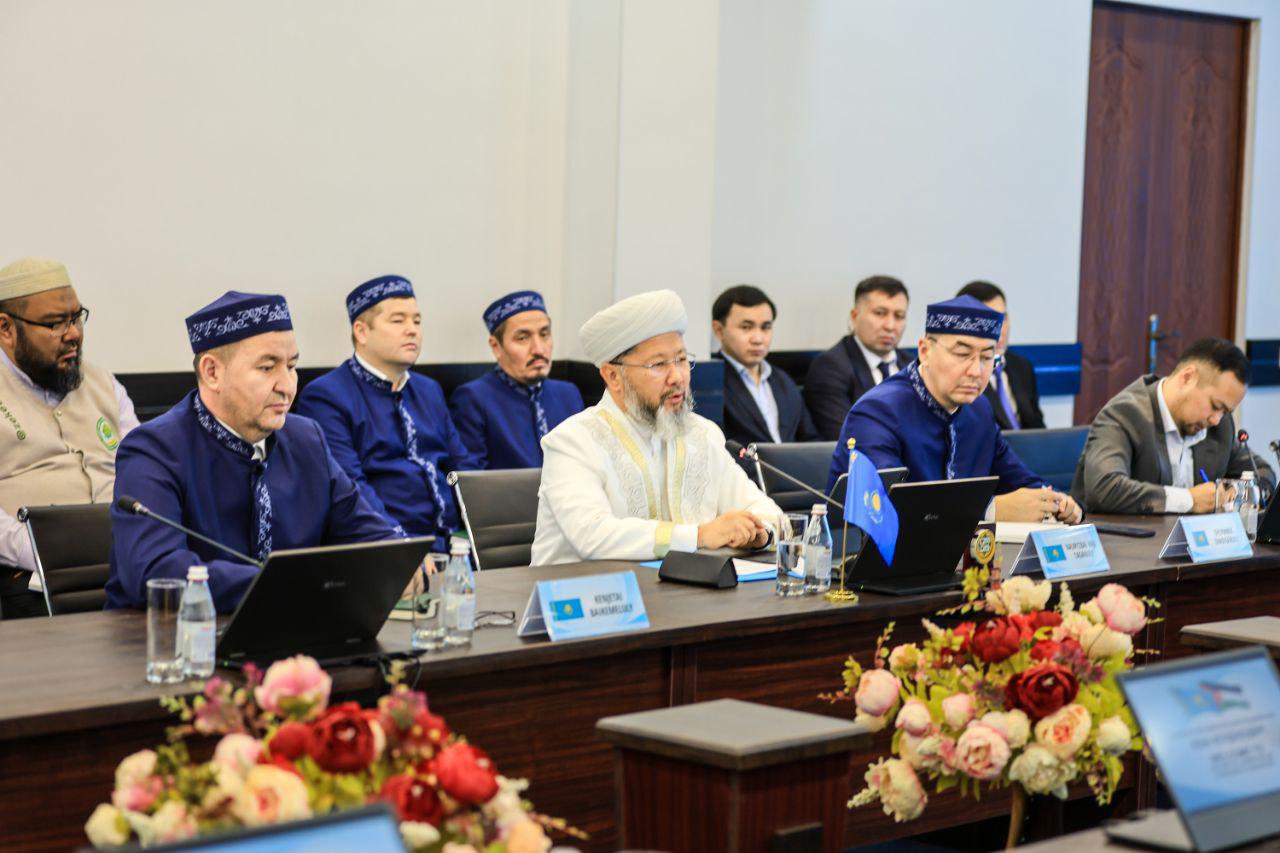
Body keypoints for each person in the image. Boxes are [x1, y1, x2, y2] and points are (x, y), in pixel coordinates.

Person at [106, 291, 396, 612]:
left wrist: (398, 562)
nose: (287, 386)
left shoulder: (306, 439)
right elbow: (155, 571)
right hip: (171, 635)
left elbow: (371, 538)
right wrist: (286, 583)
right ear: (212, 373)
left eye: (292, 366)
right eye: (267, 368)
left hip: (291, 629)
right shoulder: (154, 450)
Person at [532, 289, 785, 565]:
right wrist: (699, 536)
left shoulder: (702, 434)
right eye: (658, 364)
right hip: (585, 591)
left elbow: (770, 515)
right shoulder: (573, 441)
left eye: (682, 360)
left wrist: (760, 533)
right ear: (613, 376)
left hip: (684, 591)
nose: (677, 377)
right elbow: (592, 536)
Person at [826, 295, 1082, 523]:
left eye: (986, 358)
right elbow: (884, 510)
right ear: (925, 351)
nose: (976, 371)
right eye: (962, 354)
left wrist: (1059, 503)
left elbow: (1018, 478)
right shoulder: (877, 413)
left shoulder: (979, 410)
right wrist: (990, 510)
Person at [0, 258, 139, 619]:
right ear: (6, 329)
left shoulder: (105, 385)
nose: (73, 333)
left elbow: (145, 471)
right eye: (54, 323)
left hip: (123, 562)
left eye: (76, 318)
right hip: (31, 577)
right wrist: (46, 551)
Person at [294, 275, 480, 545]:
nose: (412, 330)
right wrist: (403, 546)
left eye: (417, 321)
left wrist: (484, 529)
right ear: (361, 332)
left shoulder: (429, 390)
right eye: (398, 320)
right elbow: (351, 489)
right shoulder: (327, 396)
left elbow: (461, 468)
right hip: (382, 546)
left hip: (453, 542)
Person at [1071, 337, 1276, 515]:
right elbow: (1105, 489)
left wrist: (1238, 493)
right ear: (1187, 378)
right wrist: (1189, 500)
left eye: (1225, 412)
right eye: (1215, 406)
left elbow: (1263, 473)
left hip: (1193, 545)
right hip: (1125, 544)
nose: (1216, 420)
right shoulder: (1125, 414)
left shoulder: (1219, 427)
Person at [450, 290, 584, 469]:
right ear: (496, 347)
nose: (539, 349)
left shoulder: (568, 394)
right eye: (523, 338)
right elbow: (470, 477)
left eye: (544, 334)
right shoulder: (473, 399)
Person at [804, 276, 912, 439]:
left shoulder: (916, 366)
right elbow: (847, 438)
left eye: (899, 316)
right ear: (854, 316)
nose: (890, 326)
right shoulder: (830, 367)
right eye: (880, 313)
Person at [712, 284, 818, 447]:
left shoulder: (783, 381)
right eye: (746, 327)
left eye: (765, 327)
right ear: (719, 330)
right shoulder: (712, 383)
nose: (758, 339)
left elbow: (811, 440)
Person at [956, 280, 1044, 430]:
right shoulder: (959, 375)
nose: (1000, 330)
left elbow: (1039, 430)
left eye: (1003, 318)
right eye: (990, 320)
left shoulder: (1022, 367)